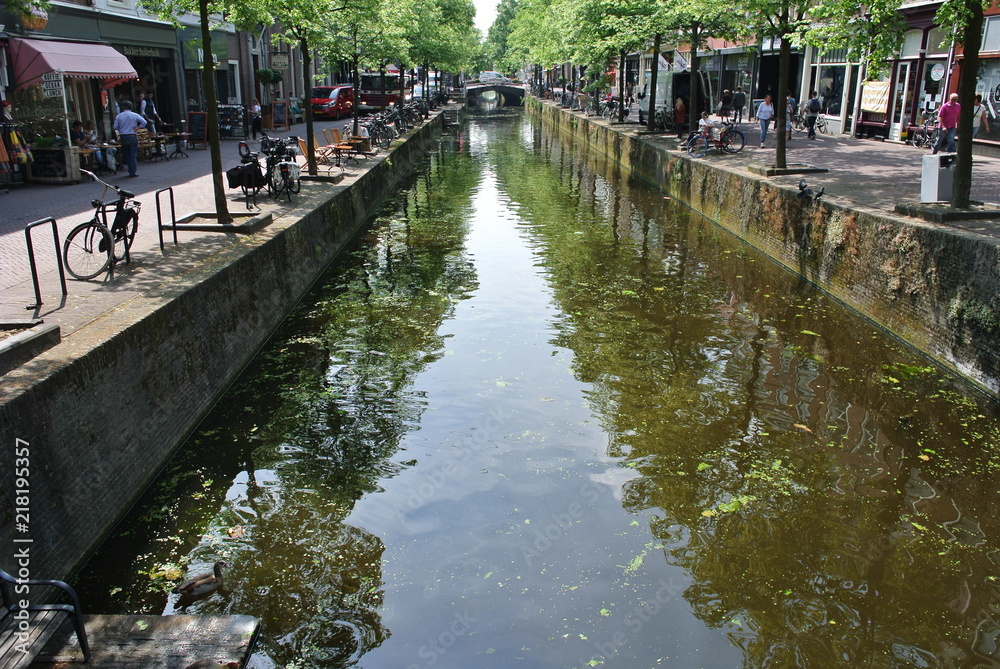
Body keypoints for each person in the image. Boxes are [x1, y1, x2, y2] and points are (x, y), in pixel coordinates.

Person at [113, 101, 147, 177]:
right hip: (132, 135)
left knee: (127, 153)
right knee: (133, 153)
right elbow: (144, 122)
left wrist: (121, 128)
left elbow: (115, 127)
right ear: (131, 107)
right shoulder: (134, 115)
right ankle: (132, 171)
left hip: (123, 136)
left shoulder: (119, 116)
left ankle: (130, 169)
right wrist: (138, 128)